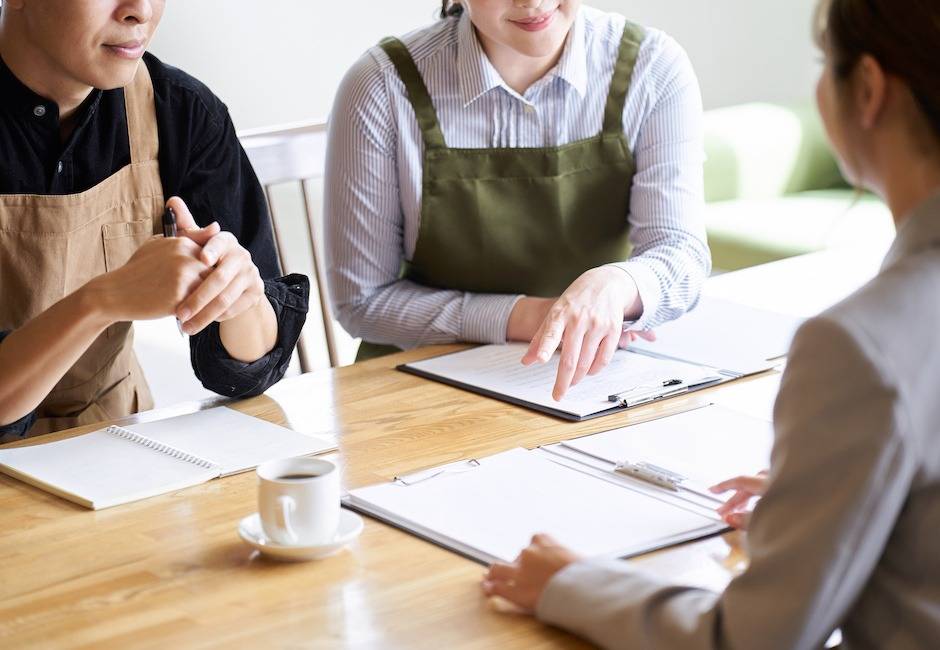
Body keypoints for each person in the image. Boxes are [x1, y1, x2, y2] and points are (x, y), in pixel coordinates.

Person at [481, 0, 940, 647]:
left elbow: (750, 639)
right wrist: (825, 500)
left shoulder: (858, 347)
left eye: (822, 64)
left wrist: (569, 583)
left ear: (866, 90)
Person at [325, 0, 710, 400]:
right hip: (415, 385)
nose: (532, 2)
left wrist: (619, 286)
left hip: (592, 383)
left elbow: (680, 253)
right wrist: (528, 316)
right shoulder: (383, 85)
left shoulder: (653, 67)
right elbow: (362, 301)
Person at [0, 0, 309, 440]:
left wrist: (238, 297)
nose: (140, 10)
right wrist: (101, 300)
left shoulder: (183, 113)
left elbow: (249, 373)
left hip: (113, 444)